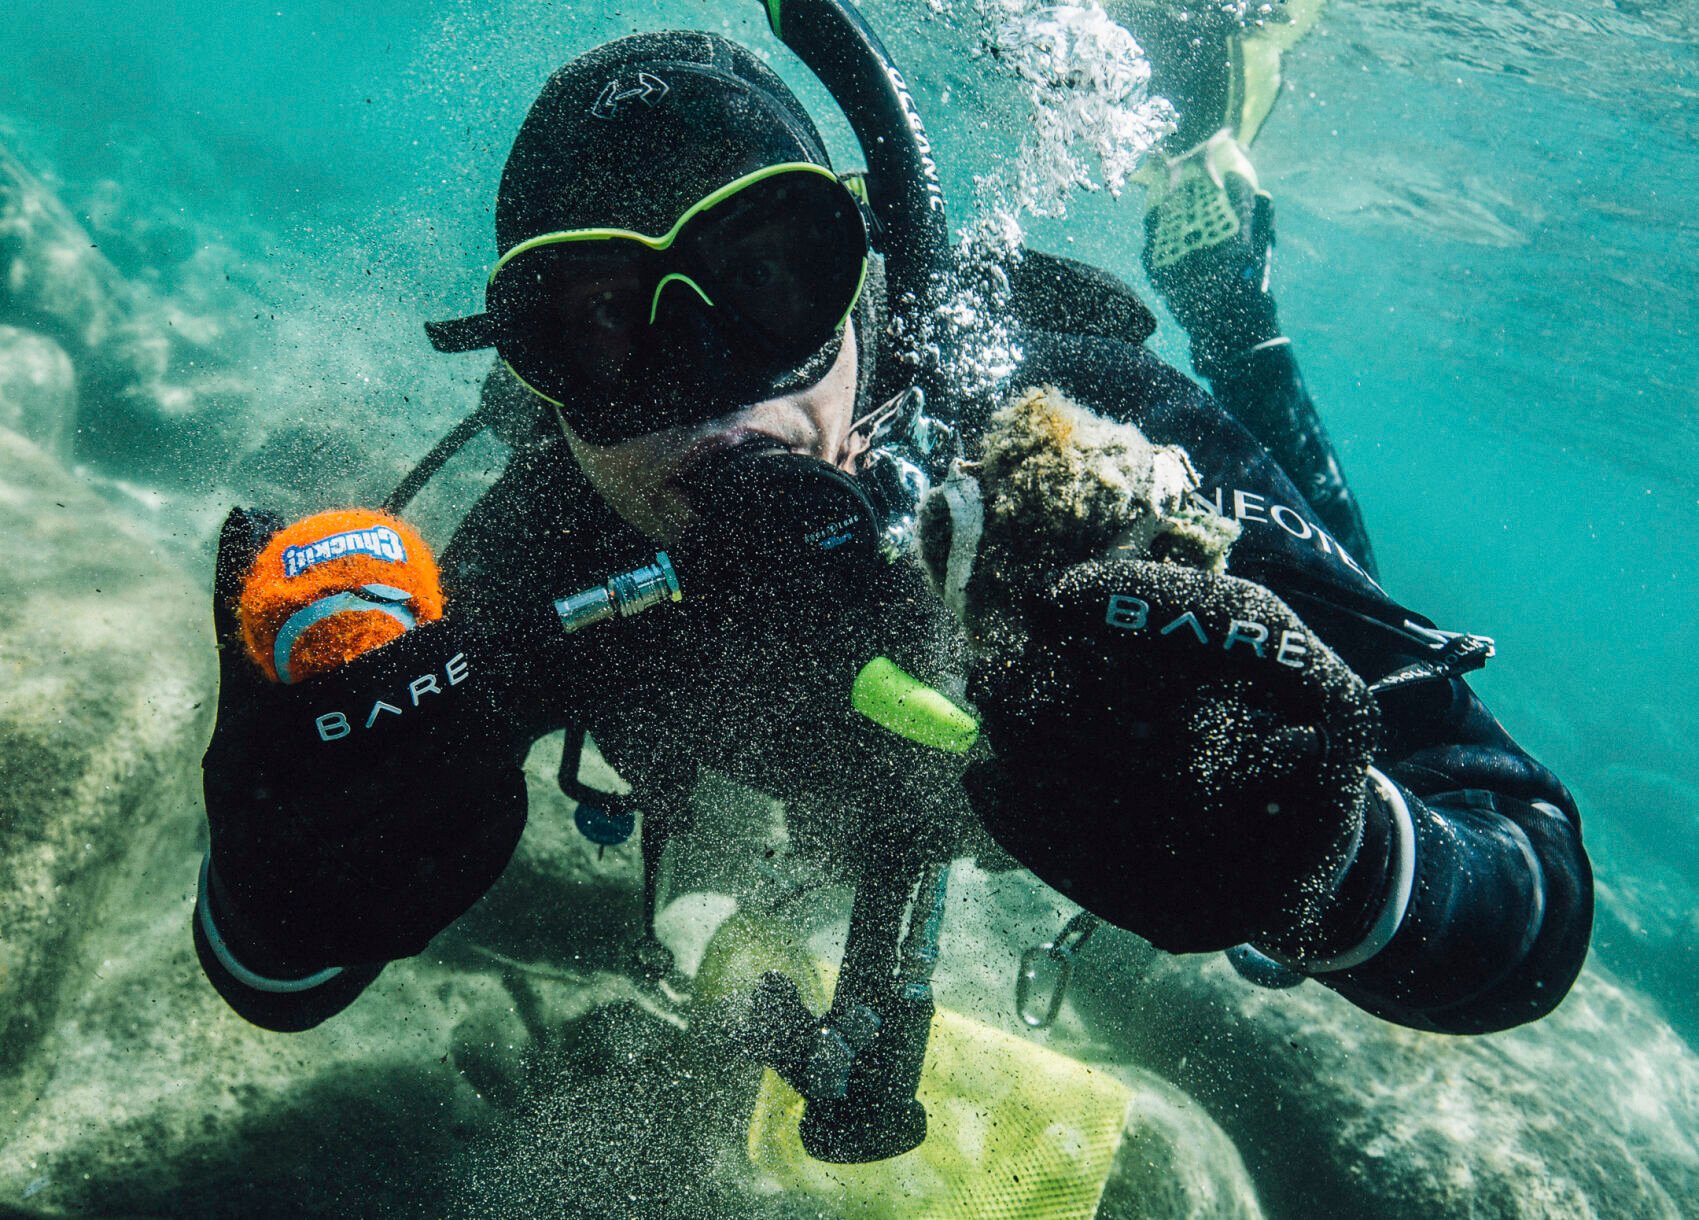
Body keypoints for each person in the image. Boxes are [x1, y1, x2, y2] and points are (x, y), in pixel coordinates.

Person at [193, 0, 1590, 1164]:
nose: (712, 391)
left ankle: (1233, 299)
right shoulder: (539, 555)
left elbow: (1523, 875)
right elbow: (280, 977)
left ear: (859, 284)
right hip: (805, 795)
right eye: (602, 326)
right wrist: (287, 867)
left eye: (768, 278)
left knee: (1302, 610)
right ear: (536, 379)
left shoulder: (1069, 446)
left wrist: (1335, 855)